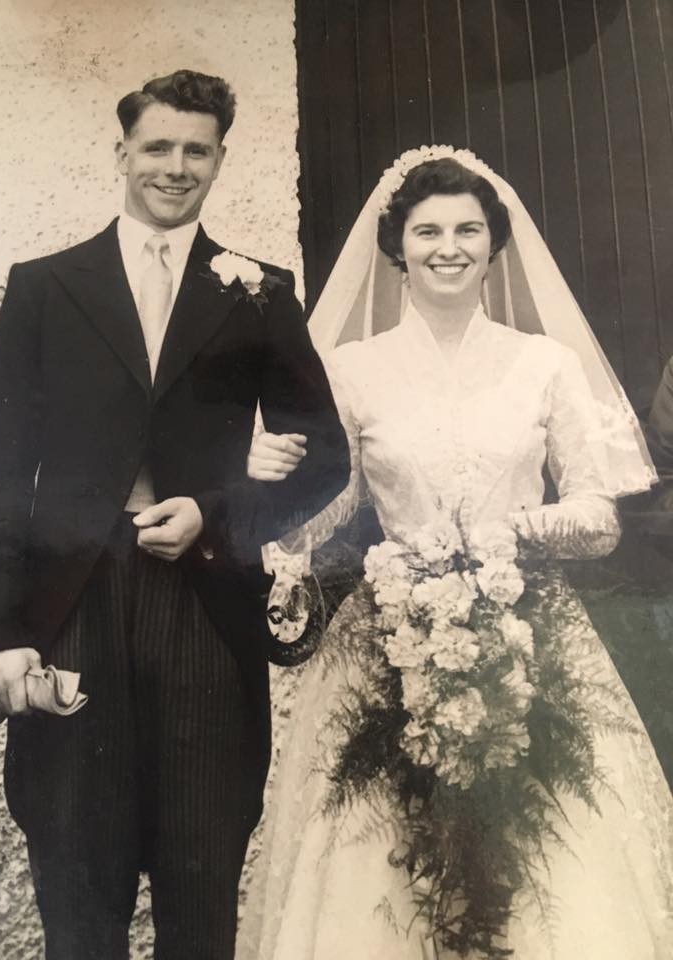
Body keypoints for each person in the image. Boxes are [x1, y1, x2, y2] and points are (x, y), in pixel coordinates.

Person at [238, 149, 673, 958]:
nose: (449, 246)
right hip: (388, 637)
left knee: (550, 855)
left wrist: (519, 533)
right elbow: (325, 509)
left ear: (494, 246)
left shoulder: (545, 362)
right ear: (397, 247)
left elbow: (599, 517)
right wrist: (271, 495)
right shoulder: (353, 368)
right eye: (428, 230)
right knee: (383, 858)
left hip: (529, 628)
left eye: (468, 229)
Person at [0, 69, 349, 959]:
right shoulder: (43, 289)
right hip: (72, 612)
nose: (175, 167)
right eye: (157, 147)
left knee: (200, 879)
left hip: (203, 612)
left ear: (218, 160)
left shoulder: (257, 290)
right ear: (122, 153)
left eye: (196, 151)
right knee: (76, 882)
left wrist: (217, 514)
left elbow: (324, 456)